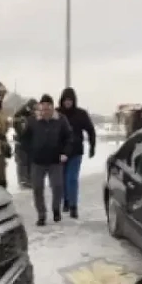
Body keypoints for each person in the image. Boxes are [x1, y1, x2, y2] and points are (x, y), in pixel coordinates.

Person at [20, 94, 72, 226]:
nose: (45, 111)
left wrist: (65, 153)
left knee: (57, 186)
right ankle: (41, 215)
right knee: (37, 188)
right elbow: (24, 139)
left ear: (52, 108)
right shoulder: (32, 120)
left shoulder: (61, 119)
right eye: (43, 108)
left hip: (55, 160)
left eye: (48, 108)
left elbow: (69, 137)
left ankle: (56, 209)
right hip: (38, 161)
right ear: (39, 108)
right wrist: (30, 152)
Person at [56, 87, 96, 219]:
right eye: (66, 100)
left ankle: (73, 206)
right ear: (62, 101)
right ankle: (66, 200)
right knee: (61, 180)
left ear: (74, 101)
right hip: (60, 152)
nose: (68, 102)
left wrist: (92, 146)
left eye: (70, 100)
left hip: (76, 152)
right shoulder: (57, 114)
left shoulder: (81, 114)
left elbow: (90, 129)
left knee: (71, 179)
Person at [12, 98, 38, 189]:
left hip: (31, 145)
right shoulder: (21, 116)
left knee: (31, 163)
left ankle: (30, 180)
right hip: (22, 145)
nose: (34, 110)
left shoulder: (35, 117)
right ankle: (23, 181)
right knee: (22, 163)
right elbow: (20, 129)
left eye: (36, 108)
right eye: (33, 108)